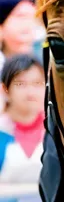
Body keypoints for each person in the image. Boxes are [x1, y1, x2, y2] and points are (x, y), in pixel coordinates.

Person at [0, 54, 44, 184]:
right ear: (5, 89)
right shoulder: (2, 130)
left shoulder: (56, 131)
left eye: (37, 83)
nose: (31, 92)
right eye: (21, 84)